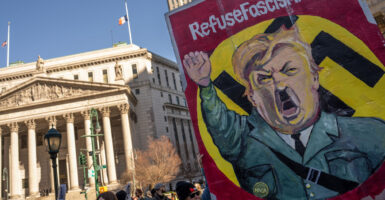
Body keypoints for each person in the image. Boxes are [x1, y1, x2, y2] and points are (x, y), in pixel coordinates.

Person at [182, 27, 385, 199]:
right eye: (264, 79)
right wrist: (205, 85)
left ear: (314, 78)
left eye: (289, 70)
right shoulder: (244, 144)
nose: (279, 84)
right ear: (253, 98)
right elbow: (221, 126)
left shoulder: (371, 133)